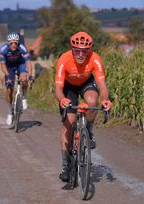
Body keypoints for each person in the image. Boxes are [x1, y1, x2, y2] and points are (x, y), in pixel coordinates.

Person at [54, 32, 113, 182]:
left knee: (93, 101)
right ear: (72, 48)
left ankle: (88, 129)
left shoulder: (95, 58)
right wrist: (62, 100)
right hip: (68, 87)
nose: (81, 54)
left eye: (84, 50)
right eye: (77, 50)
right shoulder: (64, 59)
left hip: (86, 82)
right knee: (69, 122)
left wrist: (105, 99)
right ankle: (66, 165)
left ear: (89, 50)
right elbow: (58, 89)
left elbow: (102, 85)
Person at [0, 32, 33, 125]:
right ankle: (10, 112)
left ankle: (24, 97)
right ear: (8, 43)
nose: (13, 45)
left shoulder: (22, 48)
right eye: (11, 43)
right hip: (9, 66)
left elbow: (28, 62)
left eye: (15, 43)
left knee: (24, 79)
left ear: (18, 43)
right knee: (9, 90)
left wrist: (30, 74)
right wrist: (8, 76)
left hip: (20, 64)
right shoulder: (4, 50)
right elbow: (2, 65)